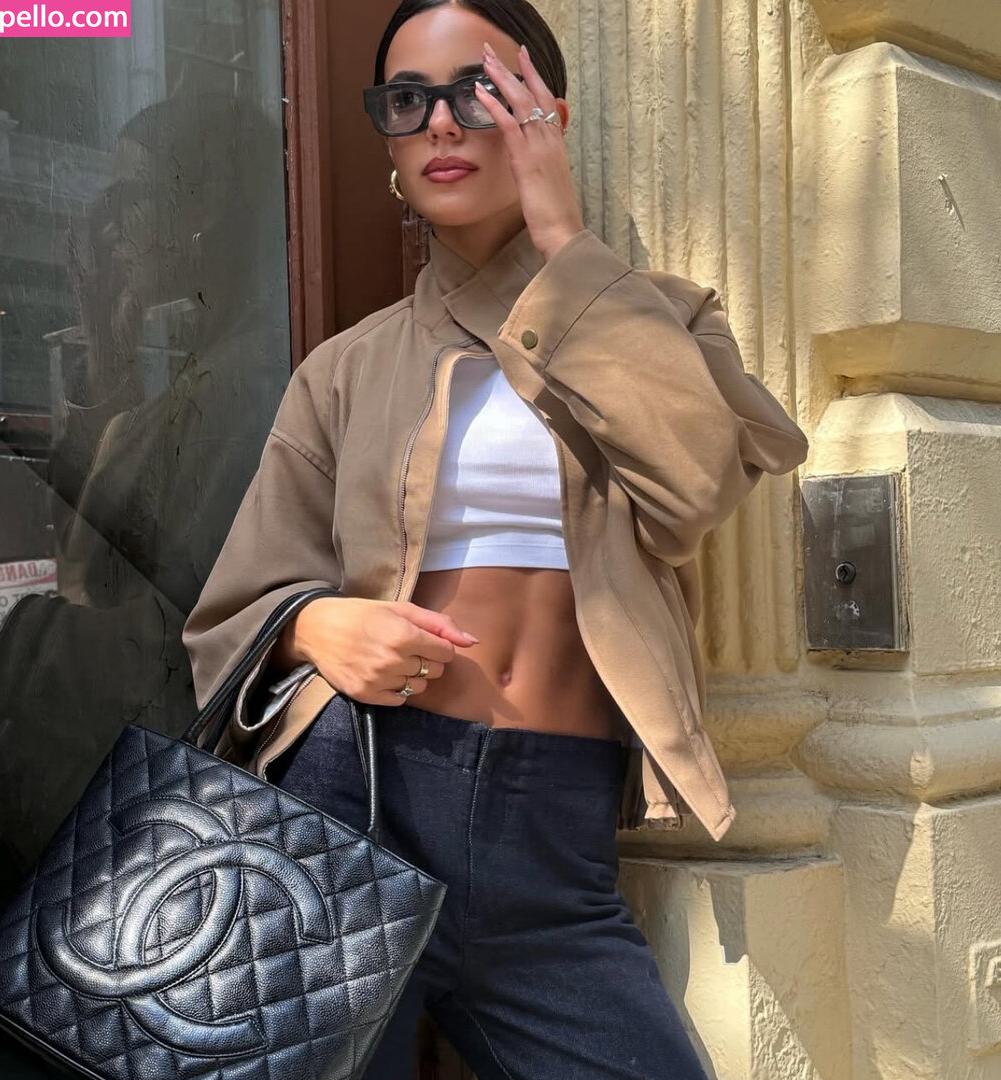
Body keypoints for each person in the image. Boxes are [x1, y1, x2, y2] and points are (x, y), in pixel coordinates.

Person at [182, 1, 810, 1076]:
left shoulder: (662, 318)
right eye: (407, 100)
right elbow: (234, 607)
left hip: (554, 831)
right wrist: (317, 624)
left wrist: (567, 246)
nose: (439, 122)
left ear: (545, 116)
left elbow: (696, 490)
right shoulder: (345, 368)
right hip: (354, 801)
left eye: (477, 92)